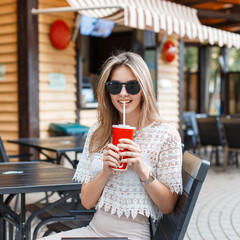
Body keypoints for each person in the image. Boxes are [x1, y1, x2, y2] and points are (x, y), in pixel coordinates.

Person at [37, 51, 182, 240]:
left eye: (132, 86)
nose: (123, 93)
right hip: (95, 231)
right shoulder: (98, 131)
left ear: (144, 88)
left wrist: (141, 168)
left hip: (134, 235)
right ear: (107, 90)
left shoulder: (165, 135)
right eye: (115, 86)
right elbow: (87, 201)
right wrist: (105, 171)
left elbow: (167, 206)